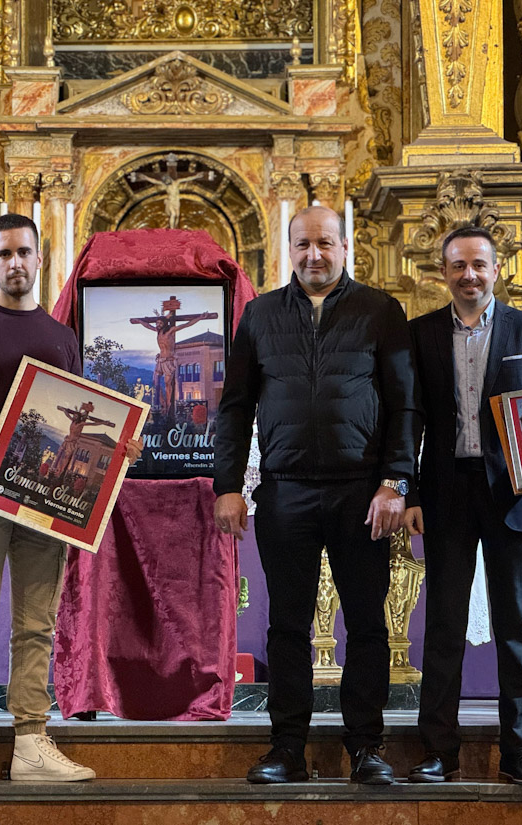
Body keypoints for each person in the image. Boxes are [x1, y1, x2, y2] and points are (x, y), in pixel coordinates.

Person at [0, 213, 140, 785]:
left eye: (25, 253)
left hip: (47, 504)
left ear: (40, 258)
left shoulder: (60, 338)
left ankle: (30, 742)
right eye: (5, 255)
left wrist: (119, 445)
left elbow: (85, 412)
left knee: (36, 626)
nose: (16, 264)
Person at [213, 205, 419, 785]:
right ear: (289, 249)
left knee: (367, 625)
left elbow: (406, 407)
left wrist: (395, 482)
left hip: (362, 494)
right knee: (286, 627)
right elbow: (234, 410)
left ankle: (366, 748)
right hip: (285, 492)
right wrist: (227, 486)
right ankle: (286, 750)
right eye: (302, 245)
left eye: (324, 244)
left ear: (345, 247)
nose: (313, 255)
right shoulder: (258, 316)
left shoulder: (380, 311)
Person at [404, 225, 522, 787]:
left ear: (497, 270)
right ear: (443, 272)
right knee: (443, 624)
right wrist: (411, 493)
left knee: (516, 625)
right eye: (458, 266)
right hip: (445, 493)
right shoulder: (418, 334)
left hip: (510, 492)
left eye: (479, 265)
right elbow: (410, 419)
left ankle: (519, 752)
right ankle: (439, 750)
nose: (469, 275)